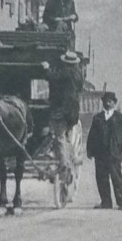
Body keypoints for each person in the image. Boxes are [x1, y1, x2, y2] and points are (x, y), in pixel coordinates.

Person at [85, 91, 122, 209]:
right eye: (105, 101)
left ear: (114, 103)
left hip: (114, 154)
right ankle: (106, 202)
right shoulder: (97, 118)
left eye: (110, 101)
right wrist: (89, 150)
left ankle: (121, 203)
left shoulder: (121, 118)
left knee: (116, 178)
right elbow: (92, 135)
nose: (107, 103)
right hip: (100, 154)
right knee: (101, 178)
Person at [47, 50, 84, 182]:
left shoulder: (65, 72)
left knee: (60, 137)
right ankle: (68, 157)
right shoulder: (78, 75)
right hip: (73, 112)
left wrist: (47, 68)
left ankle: (64, 164)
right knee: (67, 136)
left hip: (62, 111)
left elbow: (53, 76)